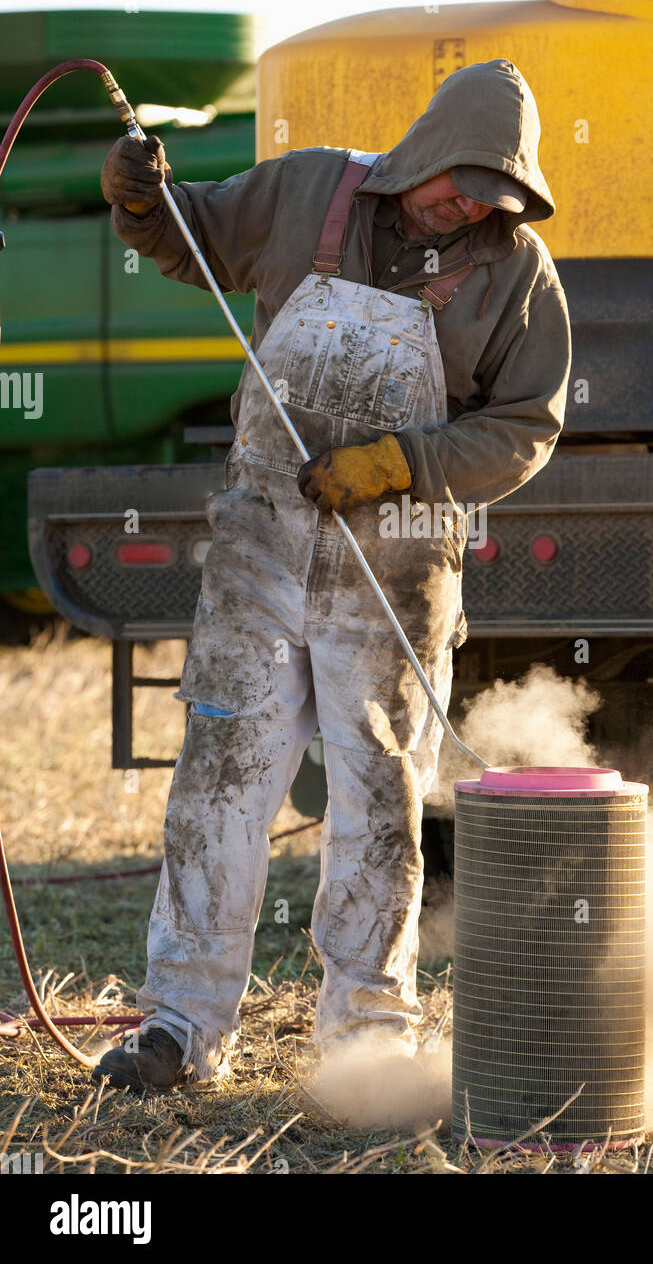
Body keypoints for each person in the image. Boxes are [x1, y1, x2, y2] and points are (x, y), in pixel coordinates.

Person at [91, 57, 571, 1092]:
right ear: (424, 152)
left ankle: (366, 1038)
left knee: (381, 799)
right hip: (261, 535)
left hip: (397, 559)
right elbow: (189, 237)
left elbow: (526, 425)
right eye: (455, 184)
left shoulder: (518, 271)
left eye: (490, 197)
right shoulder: (308, 188)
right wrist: (138, 200)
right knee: (220, 780)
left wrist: (405, 462)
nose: (464, 210)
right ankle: (179, 1024)